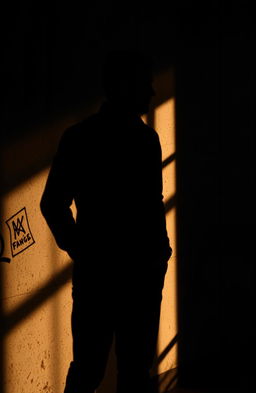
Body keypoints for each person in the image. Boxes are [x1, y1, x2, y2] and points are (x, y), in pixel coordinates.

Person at [40, 49, 172, 393]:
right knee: (128, 373)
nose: (151, 93)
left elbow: (53, 204)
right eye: (144, 84)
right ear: (124, 85)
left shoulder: (83, 138)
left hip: (105, 278)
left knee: (89, 370)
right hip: (136, 277)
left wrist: (84, 251)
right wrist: (159, 255)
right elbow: (152, 206)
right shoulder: (146, 141)